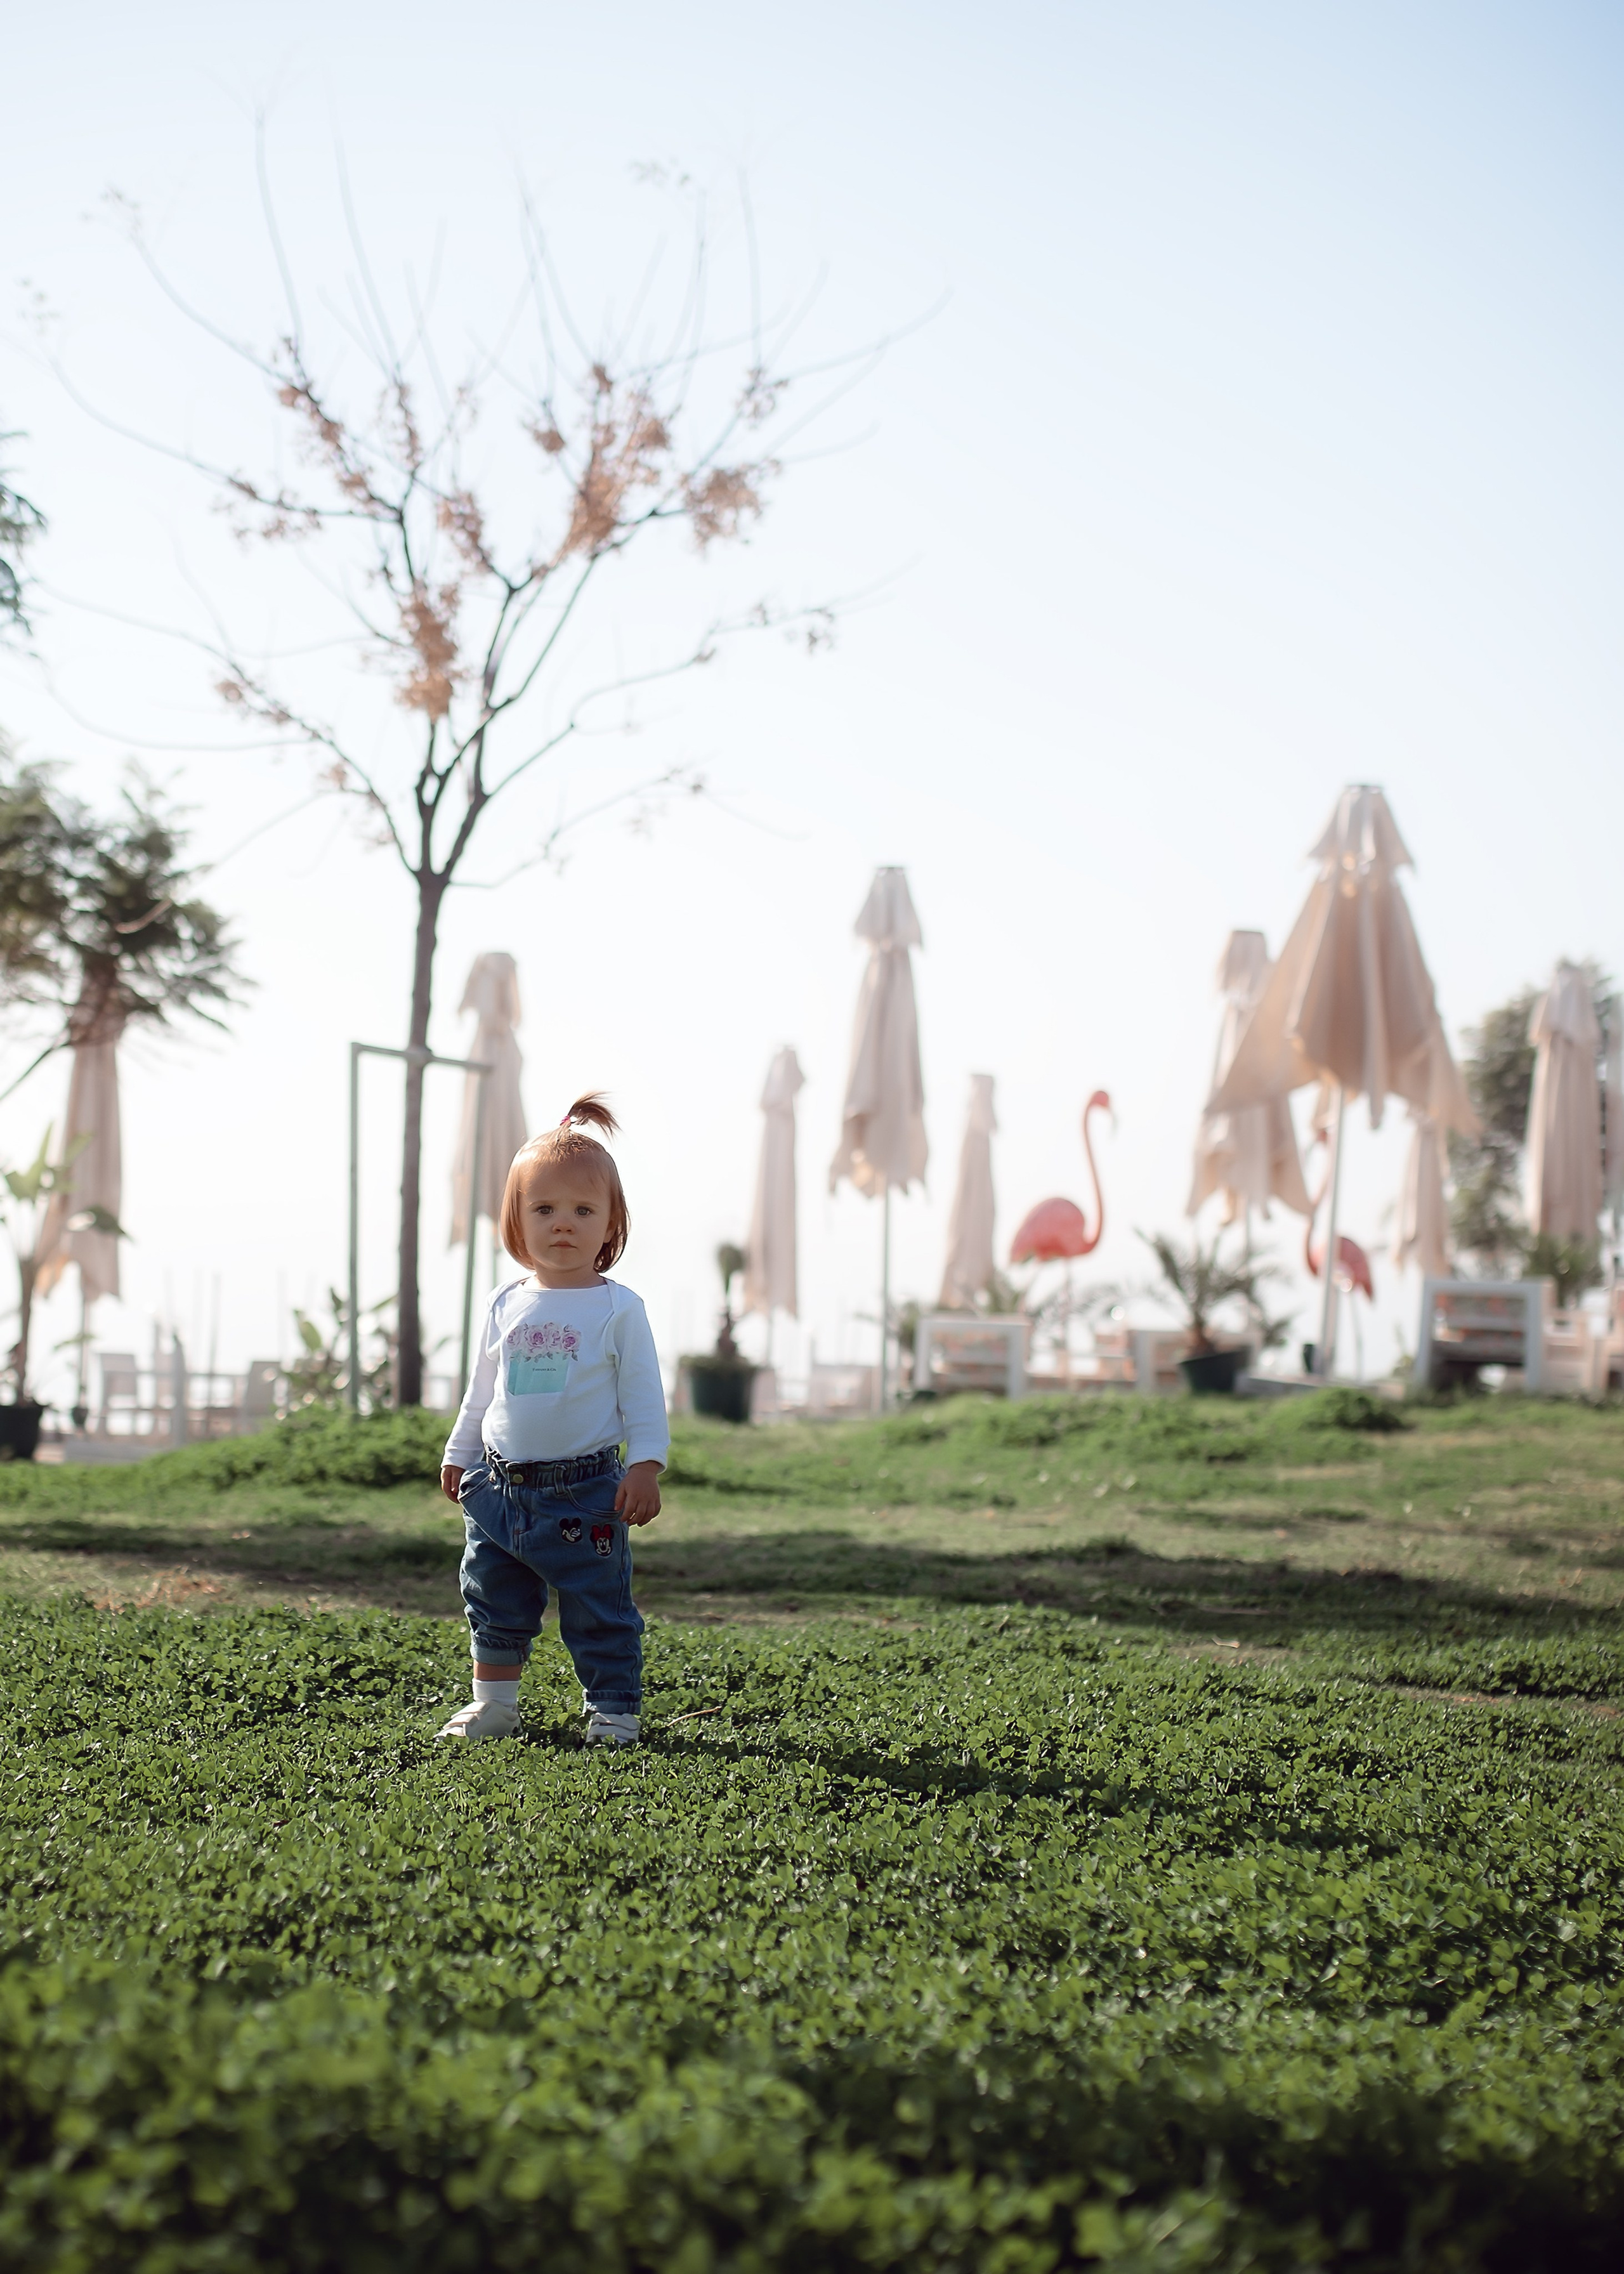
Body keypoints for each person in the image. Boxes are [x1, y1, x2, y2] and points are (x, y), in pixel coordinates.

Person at [436, 1095, 667, 1748]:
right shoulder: (504, 1303)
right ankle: (494, 1705)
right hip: (498, 1488)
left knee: (599, 1605)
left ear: (610, 1225)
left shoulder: (619, 1310)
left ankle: (614, 1708)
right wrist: (460, 1453)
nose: (562, 1224)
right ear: (516, 1218)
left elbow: (643, 1398)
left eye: (582, 1211)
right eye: (544, 1209)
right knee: (492, 1596)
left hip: (586, 1493)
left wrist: (646, 1465)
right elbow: (481, 1394)